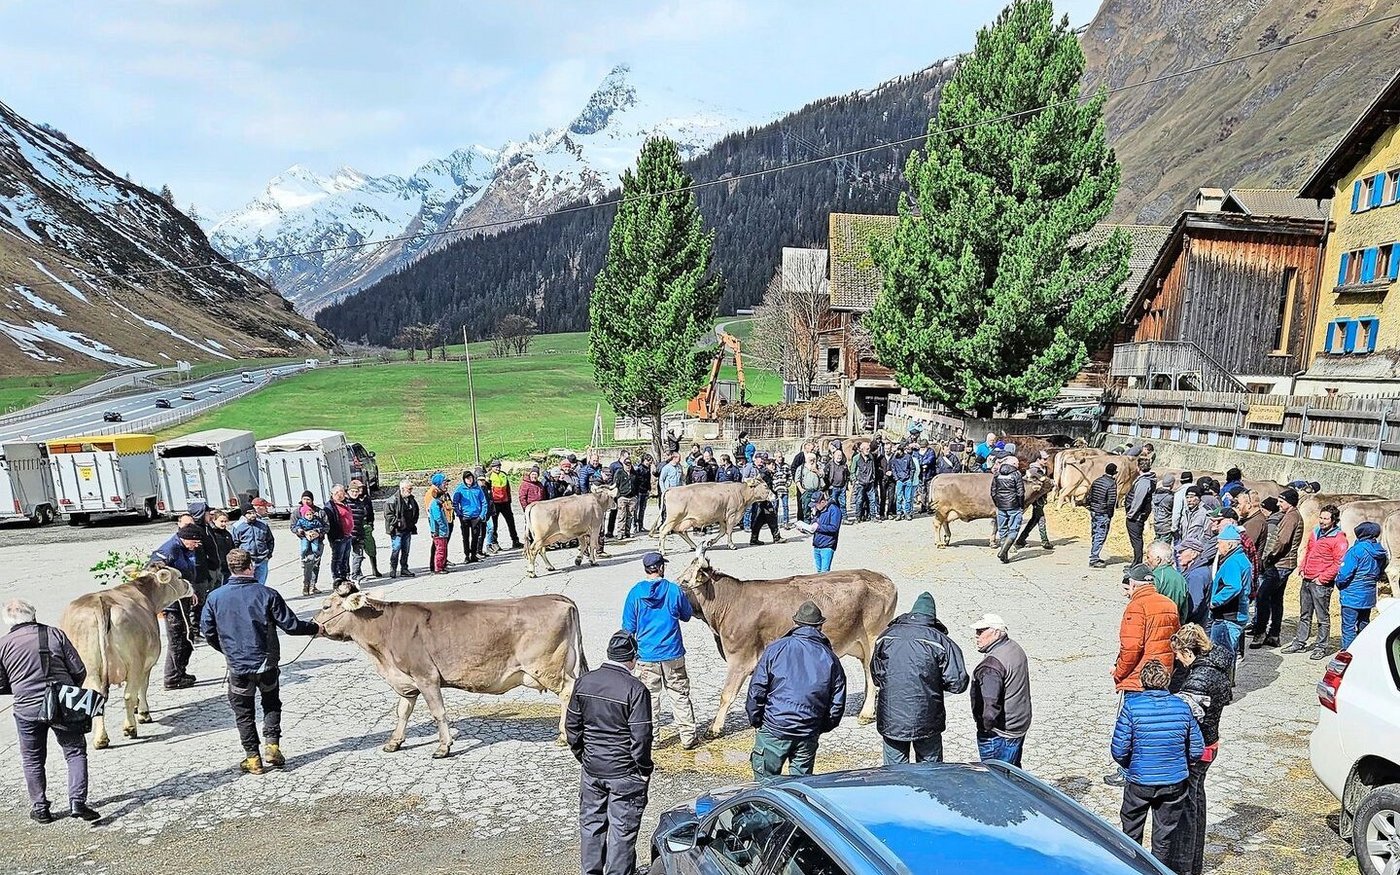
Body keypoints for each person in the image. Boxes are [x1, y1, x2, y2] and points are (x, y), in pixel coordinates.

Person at [200, 549, 321, 775]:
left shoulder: (215, 597)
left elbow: (207, 631)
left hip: (237, 665)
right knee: (271, 703)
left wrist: (226, 650)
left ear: (230, 568)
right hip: (266, 662)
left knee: (243, 713)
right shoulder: (267, 593)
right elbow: (292, 626)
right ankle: (272, 746)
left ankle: (252, 758)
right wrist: (315, 628)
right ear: (251, 566)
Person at [0, 599, 100, 823]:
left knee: (33, 759)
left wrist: (20, 688)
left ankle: (40, 808)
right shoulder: (55, 634)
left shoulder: (3, 644)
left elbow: (0, 684)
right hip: (62, 704)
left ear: (8, 621)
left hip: (26, 709)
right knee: (74, 751)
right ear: (34, 614)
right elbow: (79, 670)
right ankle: (77, 802)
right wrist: (67, 689)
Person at [565, 631, 653, 875]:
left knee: (591, 827)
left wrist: (584, 757)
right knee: (621, 832)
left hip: (592, 769)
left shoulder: (584, 682)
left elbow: (572, 728)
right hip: (625, 773)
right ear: (633, 658)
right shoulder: (636, 689)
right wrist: (644, 770)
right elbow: (641, 737)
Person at [1110, 659, 1202, 870]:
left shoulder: (1132, 707)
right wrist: (1180, 764)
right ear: (1167, 680)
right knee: (1164, 837)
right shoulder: (1182, 706)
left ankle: (1132, 869)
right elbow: (1196, 749)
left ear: (1142, 681)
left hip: (1140, 781)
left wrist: (1131, 766)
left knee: (1131, 831)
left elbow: (1119, 750)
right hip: (1173, 782)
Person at [746, 602, 846, 780]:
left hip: (774, 728)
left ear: (796, 623)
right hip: (807, 733)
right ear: (820, 626)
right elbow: (837, 703)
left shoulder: (776, 649)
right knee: (799, 788)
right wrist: (818, 728)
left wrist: (757, 720)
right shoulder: (831, 658)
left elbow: (757, 689)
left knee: (765, 786)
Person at [1167, 624, 1234, 875]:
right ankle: (1194, 862)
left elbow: (1185, 718)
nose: (1177, 659)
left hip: (1198, 748)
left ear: (1188, 651)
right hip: (1211, 741)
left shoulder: (1198, 680)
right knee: (1197, 800)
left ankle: (1184, 865)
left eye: (1178, 653)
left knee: (1187, 808)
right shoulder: (1218, 663)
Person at [871, 592, 968, 764]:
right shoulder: (941, 642)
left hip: (891, 719)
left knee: (895, 774)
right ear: (932, 616)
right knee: (929, 774)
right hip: (927, 718)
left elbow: (876, 675)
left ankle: (898, 791)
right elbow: (957, 683)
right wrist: (933, 682)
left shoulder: (886, 636)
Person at [620, 553, 698, 751]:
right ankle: (688, 737)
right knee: (679, 694)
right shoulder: (673, 590)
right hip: (673, 653)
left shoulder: (635, 593)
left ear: (646, 569)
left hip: (646, 656)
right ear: (661, 568)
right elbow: (687, 615)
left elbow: (628, 628)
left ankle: (652, 739)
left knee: (649, 699)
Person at [1283, 503, 1347, 659]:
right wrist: (1303, 567)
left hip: (1321, 583)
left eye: (1326, 518)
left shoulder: (1338, 538)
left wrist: (1322, 578)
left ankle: (1321, 646)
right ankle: (1299, 642)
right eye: (1321, 517)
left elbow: (1339, 562)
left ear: (1334, 520)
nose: (1322, 521)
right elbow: (1309, 551)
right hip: (1307, 578)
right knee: (1304, 613)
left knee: (1322, 617)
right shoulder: (1316, 532)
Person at [970, 613, 1032, 766]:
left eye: (981, 631)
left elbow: (989, 707)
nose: (977, 636)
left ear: (996, 632)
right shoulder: (1014, 647)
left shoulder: (991, 666)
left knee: (996, 780)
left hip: (1000, 734)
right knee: (1013, 774)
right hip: (1018, 725)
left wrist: (985, 730)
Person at [1113, 563, 1181, 695]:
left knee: (1136, 713)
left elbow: (1131, 647)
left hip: (1140, 677)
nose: (1126, 594)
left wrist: (1119, 672)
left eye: (1127, 589)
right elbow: (1176, 639)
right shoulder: (1169, 603)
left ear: (1132, 584)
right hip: (1163, 674)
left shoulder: (1136, 607)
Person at [152, 522, 203, 688]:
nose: (196, 546)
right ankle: (172, 678)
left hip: (183, 598)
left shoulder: (184, 548)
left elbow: (186, 573)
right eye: (195, 542)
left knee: (186, 637)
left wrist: (190, 591)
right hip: (172, 605)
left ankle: (180, 671)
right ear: (186, 539)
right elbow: (153, 569)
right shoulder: (169, 550)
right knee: (177, 639)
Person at [1252, 489, 1302, 648]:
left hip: (1280, 563)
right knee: (1276, 599)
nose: (1278, 504)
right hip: (1285, 563)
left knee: (1262, 596)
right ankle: (1274, 634)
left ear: (1290, 502)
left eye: (1281, 501)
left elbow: (1282, 541)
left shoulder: (1291, 517)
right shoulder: (1292, 515)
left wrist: (1270, 557)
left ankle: (1260, 633)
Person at [1336, 521, 1388, 651]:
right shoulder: (1380, 551)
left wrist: (1339, 584)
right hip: (1369, 594)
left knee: (1348, 627)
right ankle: (1364, 652)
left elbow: (1344, 574)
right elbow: (1381, 571)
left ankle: (1348, 655)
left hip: (1352, 594)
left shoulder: (1356, 551)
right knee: (1364, 624)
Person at [289, 491, 327, 595]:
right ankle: (306, 585)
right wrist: (301, 532)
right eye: (304, 499)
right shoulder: (297, 512)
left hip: (317, 541)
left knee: (316, 564)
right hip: (305, 540)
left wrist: (318, 532)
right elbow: (293, 526)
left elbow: (326, 526)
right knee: (308, 564)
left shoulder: (320, 512)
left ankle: (313, 585)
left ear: (312, 500)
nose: (306, 501)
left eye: (308, 499)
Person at [1013, 458, 1054, 552]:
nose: (1046, 460)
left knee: (1036, 518)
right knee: (1040, 518)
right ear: (1038, 459)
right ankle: (1044, 541)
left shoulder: (1041, 469)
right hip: (1036, 498)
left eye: (1047, 459)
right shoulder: (1034, 470)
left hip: (1037, 497)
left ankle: (1021, 539)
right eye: (1044, 459)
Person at [233, 499, 275, 586]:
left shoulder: (263, 524)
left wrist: (269, 554)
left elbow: (270, 540)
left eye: (253, 512)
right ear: (244, 514)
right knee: (248, 584)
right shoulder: (237, 526)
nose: (252, 515)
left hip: (263, 558)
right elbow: (235, 544)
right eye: (249, 513)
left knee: (261, 584)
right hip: (248, 560)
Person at [1146, 541, 1190, 624]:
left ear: (1158, 559)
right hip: (1176, 623)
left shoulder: (1155, 577)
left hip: (1157, 624)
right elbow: (1184, 608)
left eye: (1148, 557)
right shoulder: (1180, 577)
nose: (1147, 561)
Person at [384, 479, 420, 578]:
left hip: (408, 529)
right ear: (402, 489)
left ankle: (404, 569)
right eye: (409, 488)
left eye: (411, 488)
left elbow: (416, 511)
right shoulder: (392, 500)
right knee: (396, 549)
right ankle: (393, 569)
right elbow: (388, 515)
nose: (411, 490)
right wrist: (398, 523)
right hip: (397, 531)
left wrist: (413, 522)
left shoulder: (411, 499)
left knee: (406, 550)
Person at [452, 470, 489, 564]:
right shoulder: (460, 489)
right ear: (464, 479)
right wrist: (459, 514)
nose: (469, 480)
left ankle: (473, 554)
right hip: (465, 516)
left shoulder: (478, 488)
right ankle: (467, 555)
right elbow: (455, 503)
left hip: (476, 517)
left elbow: (484, 502)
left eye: (470, 478)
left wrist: (481, 516)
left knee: (475, 536)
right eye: (467, 478)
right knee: (465, 537)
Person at [346, 479, 380, 581]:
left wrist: (371, 524)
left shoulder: (365, 499)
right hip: (351, 530)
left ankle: (375, 569)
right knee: (353, 554)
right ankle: (356, 573)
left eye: (361, 488)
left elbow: (370, 513)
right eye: (357, 488)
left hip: (364, 527)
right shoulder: (347, 502)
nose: (359, 490)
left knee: (371, 547)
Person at [990, 461, 1024, 563]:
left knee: (1002, 530)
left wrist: (997, 502)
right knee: (1014, 529)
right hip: (1013, 506)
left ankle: (1004, 555)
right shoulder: (1016, 474)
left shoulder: (997, 474)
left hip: (1001, 506)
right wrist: (1021, 505)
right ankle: (1003, 551)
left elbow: (992, 491)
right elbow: (1020, 492)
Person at [1124, 459, 1156, 566]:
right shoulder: (1147, 479)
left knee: (1136, 540)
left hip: (1136, 516)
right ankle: (1136, 562)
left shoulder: (1144, 482)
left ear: (1138, 468)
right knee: (1136, 540)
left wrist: (1131, 513)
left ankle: (1137, 564)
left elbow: (1138, 499)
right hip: (1139, 515)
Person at [1087, 463, 1119, 568]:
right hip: (1103, 512)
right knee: (1100, 535)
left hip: (1094, 511)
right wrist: (1110, 514)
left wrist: (1090, 506)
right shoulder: (1111, 484)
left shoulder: (1097, 481)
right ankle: (1094, 558)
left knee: (1095, 533)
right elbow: (1111, 501)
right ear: (1114, 473)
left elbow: (1089, 495)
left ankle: (1094, 554)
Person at [802, 491, 843, 572]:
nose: (815, 507)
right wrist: (804, 529)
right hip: (817, 545)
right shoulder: (818, 511)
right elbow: (813, 527)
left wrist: (819, 527)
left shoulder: (834, 510)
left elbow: (834, 528)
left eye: (816, 505)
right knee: (818, 572)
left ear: (823, 502)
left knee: (824, 573)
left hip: (827, 546)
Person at [325, 484, 355, 583]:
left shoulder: (345, 503)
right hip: (338, 537)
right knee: (337, 558)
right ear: (334, 494)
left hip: (348, 536)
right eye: (339, 492)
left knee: (345, 559)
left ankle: (345, 576)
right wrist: (335, 536)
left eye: (342, 492)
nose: (341, 494)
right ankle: (337, 578)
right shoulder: (330, 506)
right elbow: (330, 523)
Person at [427, 484, 453, 574]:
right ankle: (438, 568)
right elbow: (438, 518)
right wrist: (443, 527)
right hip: (439, 532)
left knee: (443, 549)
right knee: (440, 550)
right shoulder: (435, 504)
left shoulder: (437, 504)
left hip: (441, 531)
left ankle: (442, 565)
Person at [853, 442, 880, 523]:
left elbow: (873, 468)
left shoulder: (871, 457)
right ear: (862, 449)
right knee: (859, 500)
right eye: (867, 448)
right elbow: (852, 470)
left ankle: (873, 516)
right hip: (860, 483)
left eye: (869, 448)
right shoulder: (856, 458)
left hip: (870, 482)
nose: (869, 450)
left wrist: (873, 477)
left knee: (872, 500)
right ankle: (858, 517)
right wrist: (855, 480)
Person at [611, 458, 637, 540]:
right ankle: (620, 532)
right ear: (623, 465)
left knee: (630, 515)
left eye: (629, 464)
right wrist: (618, 495)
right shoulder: (619, 473)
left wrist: (635, 494)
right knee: (621, 515)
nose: (628, 466)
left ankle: (627, 531)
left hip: (632, 497)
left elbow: (637, 483)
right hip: (622, 497)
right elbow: (616, 484)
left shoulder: (633, 473)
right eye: (626, 464)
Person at [890, 444, 917, 521]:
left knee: (908, 498)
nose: (897, 452)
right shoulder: (894, 458)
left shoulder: (908, 457)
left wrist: (910, 478)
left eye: (898, 450)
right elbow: (893, 468)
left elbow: (912, 468)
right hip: (899, 481)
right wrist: (896, 478)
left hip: (907, 480)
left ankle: (907, 513)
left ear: (902, 451)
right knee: (899, 498)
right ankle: (899, 513)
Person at [797, 457, 823, 524]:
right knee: (806, 509)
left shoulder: (818, 466)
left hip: (817, 491)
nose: (812, 462)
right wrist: (801, 490)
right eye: (810, 460)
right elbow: (797, 480)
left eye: (814, 460)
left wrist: (817, 471)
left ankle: (816, 524)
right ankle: (807, 524)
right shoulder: (801, 468)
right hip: (807, 491)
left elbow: (823, 475)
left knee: (818, 508)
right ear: (806, 460)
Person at [825, 448, 850, 518]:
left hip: (842, 487)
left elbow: (848, 475)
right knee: (833, 504)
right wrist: (828, 486)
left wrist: (846, 485)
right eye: (838, 455)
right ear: (834, 456)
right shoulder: (829, 465)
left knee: (843, 504)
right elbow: (825, 476)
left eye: (840, 455)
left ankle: (844, 518)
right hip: (833, 487)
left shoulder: (844, 465)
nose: (839, 457)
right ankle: (834, 518)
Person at [1152, 475, 1177, 543]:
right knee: (1165, 547)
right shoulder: (1170, 497)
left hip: (1157, 524)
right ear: (1172, 484)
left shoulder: (1155, 495)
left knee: (1158, 544)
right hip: (1166, 526)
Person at [632, 454, 653, 533]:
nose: (649, 462)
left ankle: (640, 525)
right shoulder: (639, 469)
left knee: (642, 509)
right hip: (639, 491)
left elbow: (648, 480)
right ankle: (635, 526)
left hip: (645, 491)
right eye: (648, 460)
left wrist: (649, 489)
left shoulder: (648, 468)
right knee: (637, 509)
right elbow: (637, 481)